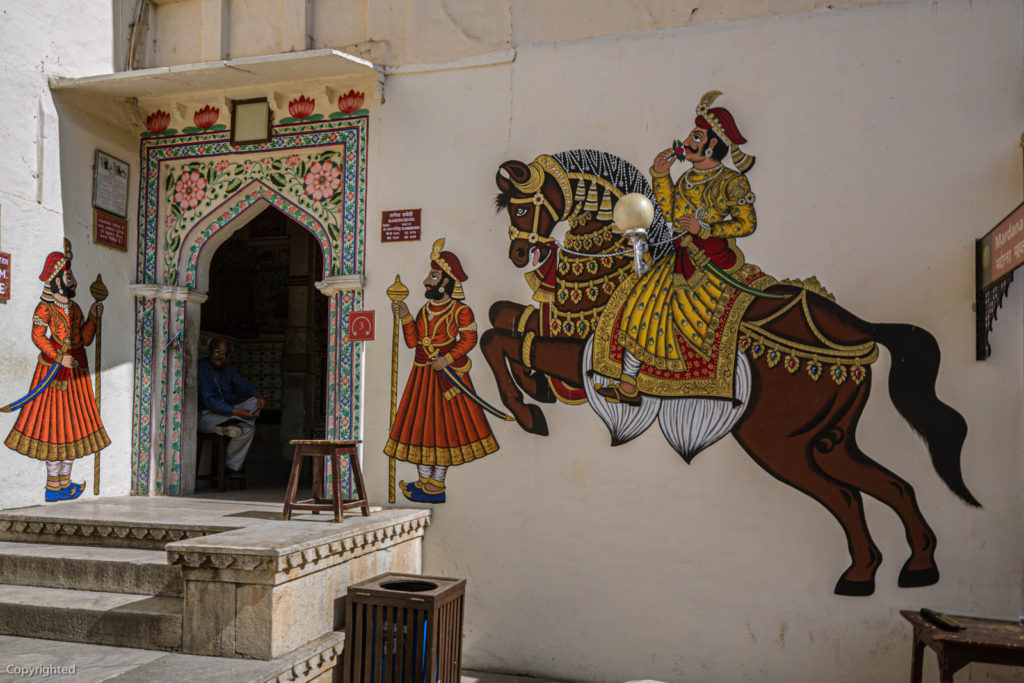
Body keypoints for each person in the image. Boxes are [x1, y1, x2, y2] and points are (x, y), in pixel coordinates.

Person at [596, 90, 766, 405]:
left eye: (696, 136)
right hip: (680, 256)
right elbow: (672, 213)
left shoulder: (732, 182)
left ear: (712, 144)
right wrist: (661, 175)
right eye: (690, 134)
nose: (687, 141)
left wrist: (706, 229)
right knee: (641, 303)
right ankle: (629, 384)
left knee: (662, 305)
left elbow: (747, 224)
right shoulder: (687, 178)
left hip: (712, 260)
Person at [384, 238, 498, 503]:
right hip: (422, 376)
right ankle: (424, 482)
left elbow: (469, 340)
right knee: (420, 428)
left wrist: (447, 358)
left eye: (433, 276)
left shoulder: (461, 310)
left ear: (446, 281)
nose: (426, 281)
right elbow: (413, 342)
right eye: (429, 275)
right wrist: (405, 316)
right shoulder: (426, 310)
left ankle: (437, 485)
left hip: (448, 377)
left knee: (445, 430)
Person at [3, 248, 109, 502]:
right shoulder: (45, 308)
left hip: (76, 372)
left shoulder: (75, 308)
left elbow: (83, 338)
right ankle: (53, 485)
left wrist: (93, 317)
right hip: (53, 373)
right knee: (54, 428)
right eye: (68, 276)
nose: (73, 281)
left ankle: (64, 483)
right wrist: (59, 356)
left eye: (72, 276)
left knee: (73, 427)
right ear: (56, 280)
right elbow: (38, 336)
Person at [197, 339, 266, 474]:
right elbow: (210, 401)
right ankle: (235, 420)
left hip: (229, 414)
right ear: (210, 351)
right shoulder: (201, 367)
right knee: (246, 425)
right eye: (217, 352)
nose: (220, 356)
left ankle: (230, 466)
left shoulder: (228, 369)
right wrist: (236, 411)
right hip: (208, 417)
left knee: (249, 423)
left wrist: (259, 395)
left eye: (225, 354)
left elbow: (243, 385)